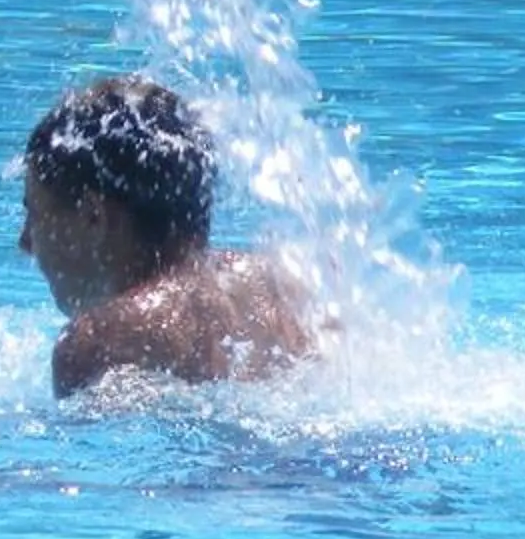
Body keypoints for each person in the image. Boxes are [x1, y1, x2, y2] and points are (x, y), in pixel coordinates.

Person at [16, 76, 313, 395]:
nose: (26, 243)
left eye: (35, 215)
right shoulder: (291, 289)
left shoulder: (99, 342)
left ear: (93, 216)